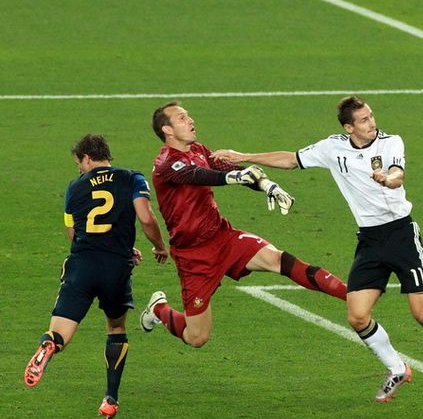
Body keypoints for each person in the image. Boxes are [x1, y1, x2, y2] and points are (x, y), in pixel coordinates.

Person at [212, 96, 423, 402]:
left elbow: (398, 174)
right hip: (370, 241)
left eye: (371, 116)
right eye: (363, 120)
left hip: (401, 235)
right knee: (357, 316)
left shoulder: (390, 142)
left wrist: (388, 180)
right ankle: (396, 368)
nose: (372, 123)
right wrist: (242, 156)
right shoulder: (334, 148)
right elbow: (291, 159)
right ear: (349, 127)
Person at [140, 101, 347, 350]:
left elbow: (232, 169)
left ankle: (350, 294)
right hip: (193, 256)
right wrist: (234, 177)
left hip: (222, 237)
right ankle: (158, 308)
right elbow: (196, 175)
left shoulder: (199, 150)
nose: (191, 120)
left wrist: (265, 185)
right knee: (197, 337)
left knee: (278, 259)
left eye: (189, 116)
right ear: (168, 130)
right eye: (182, 118)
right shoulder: (165, 163)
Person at [24, 134, 169, 419]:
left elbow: (72, 234)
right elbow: (147, 217)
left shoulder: (74, 188)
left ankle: (48, 345)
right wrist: (158, 246)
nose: (79, 169)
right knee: (116, 329)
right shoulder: (132, 178)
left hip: (82, 265)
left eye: (79, 163)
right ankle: (110, 399)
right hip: (116, 267)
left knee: (60, 332)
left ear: (87, 158)